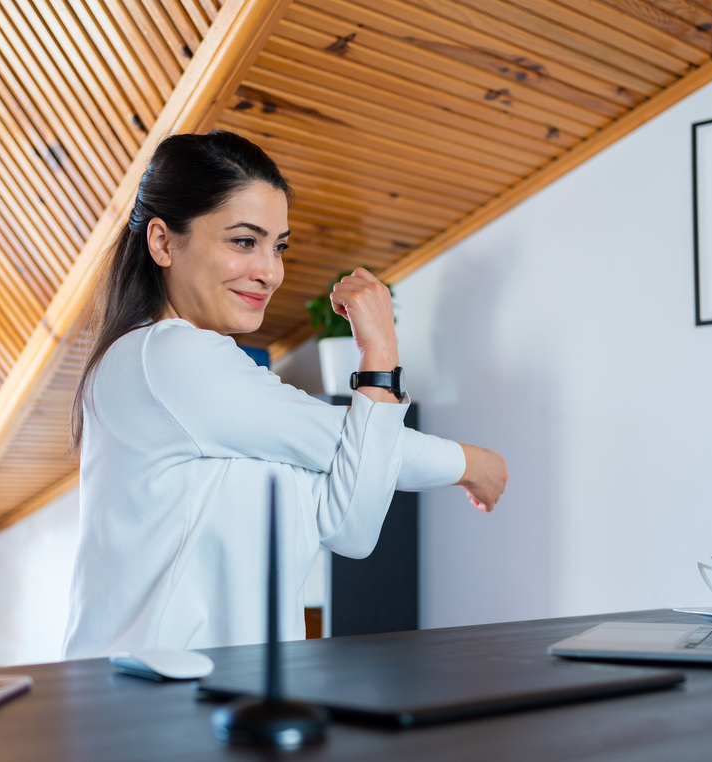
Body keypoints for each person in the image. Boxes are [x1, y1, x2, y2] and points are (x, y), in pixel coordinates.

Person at [62, 131, 508, 659]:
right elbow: (348, 439)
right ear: (162, 242)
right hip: (148, 705)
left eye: (279, 246)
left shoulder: (230, 414)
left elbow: (353, 528)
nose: (270, 272)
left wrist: (379, 357)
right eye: (244, 241)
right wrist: (471, 459)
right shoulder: (164, 355)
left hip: (228, 703)